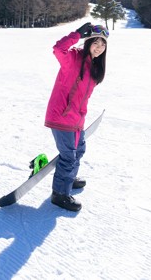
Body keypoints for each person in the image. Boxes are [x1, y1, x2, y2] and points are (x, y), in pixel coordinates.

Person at [45, 22, 108, 211]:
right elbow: (58, 49)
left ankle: (69, 179)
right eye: (95, 43)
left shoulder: (94, 68)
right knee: (68, 157)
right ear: (88, 42)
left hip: (76, 119)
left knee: (79, 151)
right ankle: (60, 194)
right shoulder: (72, 58)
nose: (99, 47)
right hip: (61, 116)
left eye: (102, 44)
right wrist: (77, 34)